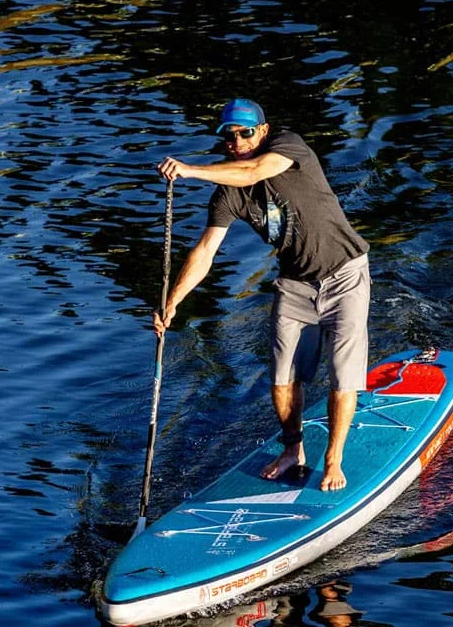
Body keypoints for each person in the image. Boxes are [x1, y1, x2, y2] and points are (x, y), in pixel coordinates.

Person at [155, 99, 371, 492]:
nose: (237, 141)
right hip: (295, 284)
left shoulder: (289, 147)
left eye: (245, 132)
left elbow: (256, 169)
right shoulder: (228, 195)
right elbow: (205, 251)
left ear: (264, 131)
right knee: (282, 380)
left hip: (345, 275)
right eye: (230, 135)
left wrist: (188, 171)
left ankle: (333, 459)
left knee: (342, 376)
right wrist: (173, 302)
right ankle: (293, 450)